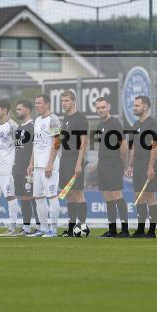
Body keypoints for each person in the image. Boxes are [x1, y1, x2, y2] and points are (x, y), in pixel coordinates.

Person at [94, 96, 129, 237]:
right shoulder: (99, 125)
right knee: (107, 197)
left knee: (116, 195)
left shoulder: (115, 123)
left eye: (103, 107)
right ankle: (112, 230)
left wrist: (123, 164)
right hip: (102, 163)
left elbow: (124, 146)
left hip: (113, 163)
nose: (101, 110)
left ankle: (125, 230)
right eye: (98, 108)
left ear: (108, 107)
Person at [126, 95, 157, 238]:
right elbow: (132, 147)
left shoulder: (152, 123)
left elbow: (155, 146)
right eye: (134, 105)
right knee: (138, 196)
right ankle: (140, 229)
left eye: (137, 105)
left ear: (145, 107)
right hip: (138, 164)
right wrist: (130, 165)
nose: (134, 108)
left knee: (150, 196)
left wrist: (151, 166)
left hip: (149, 163)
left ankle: (151, 231)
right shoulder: (135, 125)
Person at [30, 94, 62, 237]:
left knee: (51, 196)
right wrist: (31, 162)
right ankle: (43, 227)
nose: (37, 105)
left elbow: (57, 142)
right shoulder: (37, 120)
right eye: (36, 103)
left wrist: (50, 163)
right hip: (37, 166)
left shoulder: (53, 119)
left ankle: (53, 229)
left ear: (47, 104)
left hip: (49, 165)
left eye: (39, 103)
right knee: (38, 197)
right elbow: (35, 144)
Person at [59, 90, 89, 237]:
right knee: (69, 194)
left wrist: (78, 164)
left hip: (74, 159)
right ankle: (71, 228)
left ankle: (82, 227)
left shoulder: (80, 118)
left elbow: (84, 143)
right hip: (64, 159)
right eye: (62, 101)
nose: (64, 103)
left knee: (78, 193)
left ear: (73, 101)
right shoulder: (65, 118)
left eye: (66, 101)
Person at [0, 99, 20, 235]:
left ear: (5, 110)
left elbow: (20, 147)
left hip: (7, 168)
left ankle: (12, 228)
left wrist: (16, 165)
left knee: (10, 196)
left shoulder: (13, 126)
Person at [12, 100, 37, 235]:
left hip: (28, 169)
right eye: (16, 109)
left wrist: (31, 164)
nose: (17, 111)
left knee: (30, 197)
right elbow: (17, 148)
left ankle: (35, 226)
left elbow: (35, 147)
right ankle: (27, 227)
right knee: (23, 197)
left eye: (20, 109)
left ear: (27, 109)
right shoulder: (19, 128)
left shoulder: (32, 126)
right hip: (18, 168)